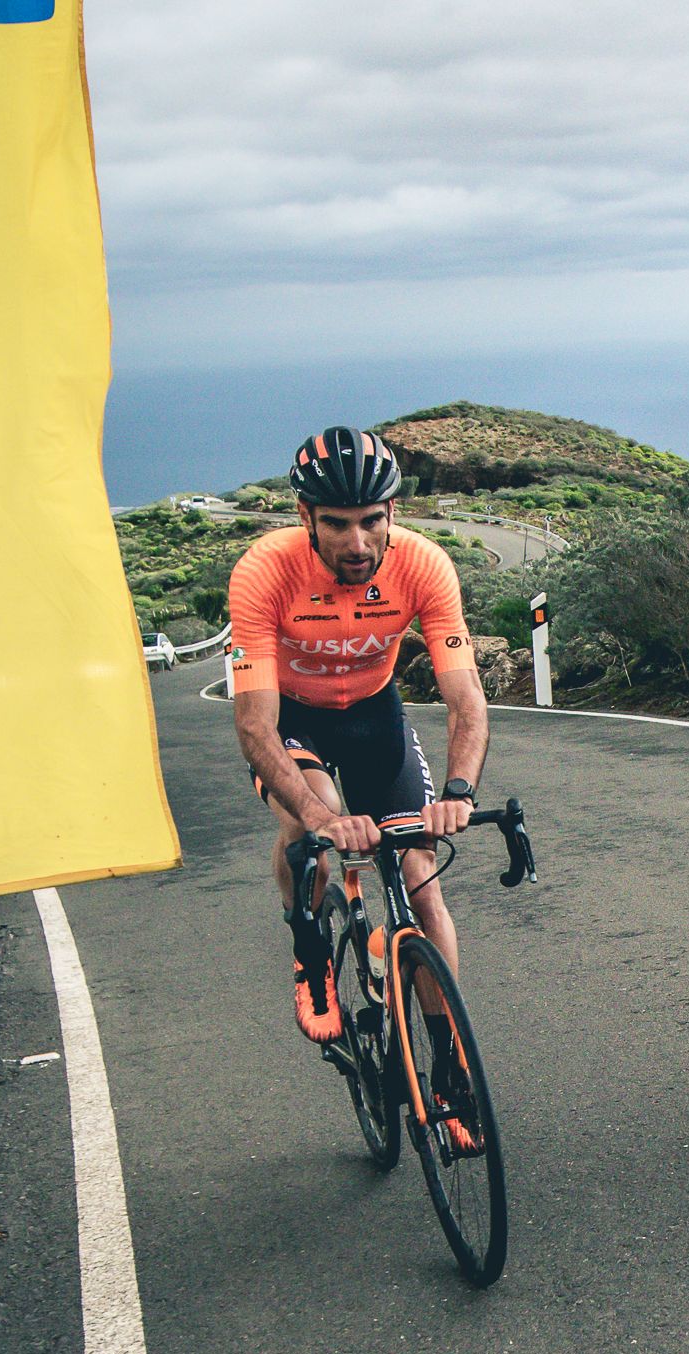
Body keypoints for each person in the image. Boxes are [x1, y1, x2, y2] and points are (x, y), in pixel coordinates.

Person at [227, 427, 488, 1042]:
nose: (357, 541)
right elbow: (254, 725)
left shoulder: (424, 565)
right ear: (306, 517)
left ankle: (450, 1065)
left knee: (422, 877)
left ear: (393, 511)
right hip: (294, 719)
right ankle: (311, 956)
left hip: (374, 712)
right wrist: (321, 817)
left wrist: (459, 791)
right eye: (337, 524)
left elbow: (466, 701)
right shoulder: (265, 571)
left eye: (372, 520)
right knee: (310, 827)